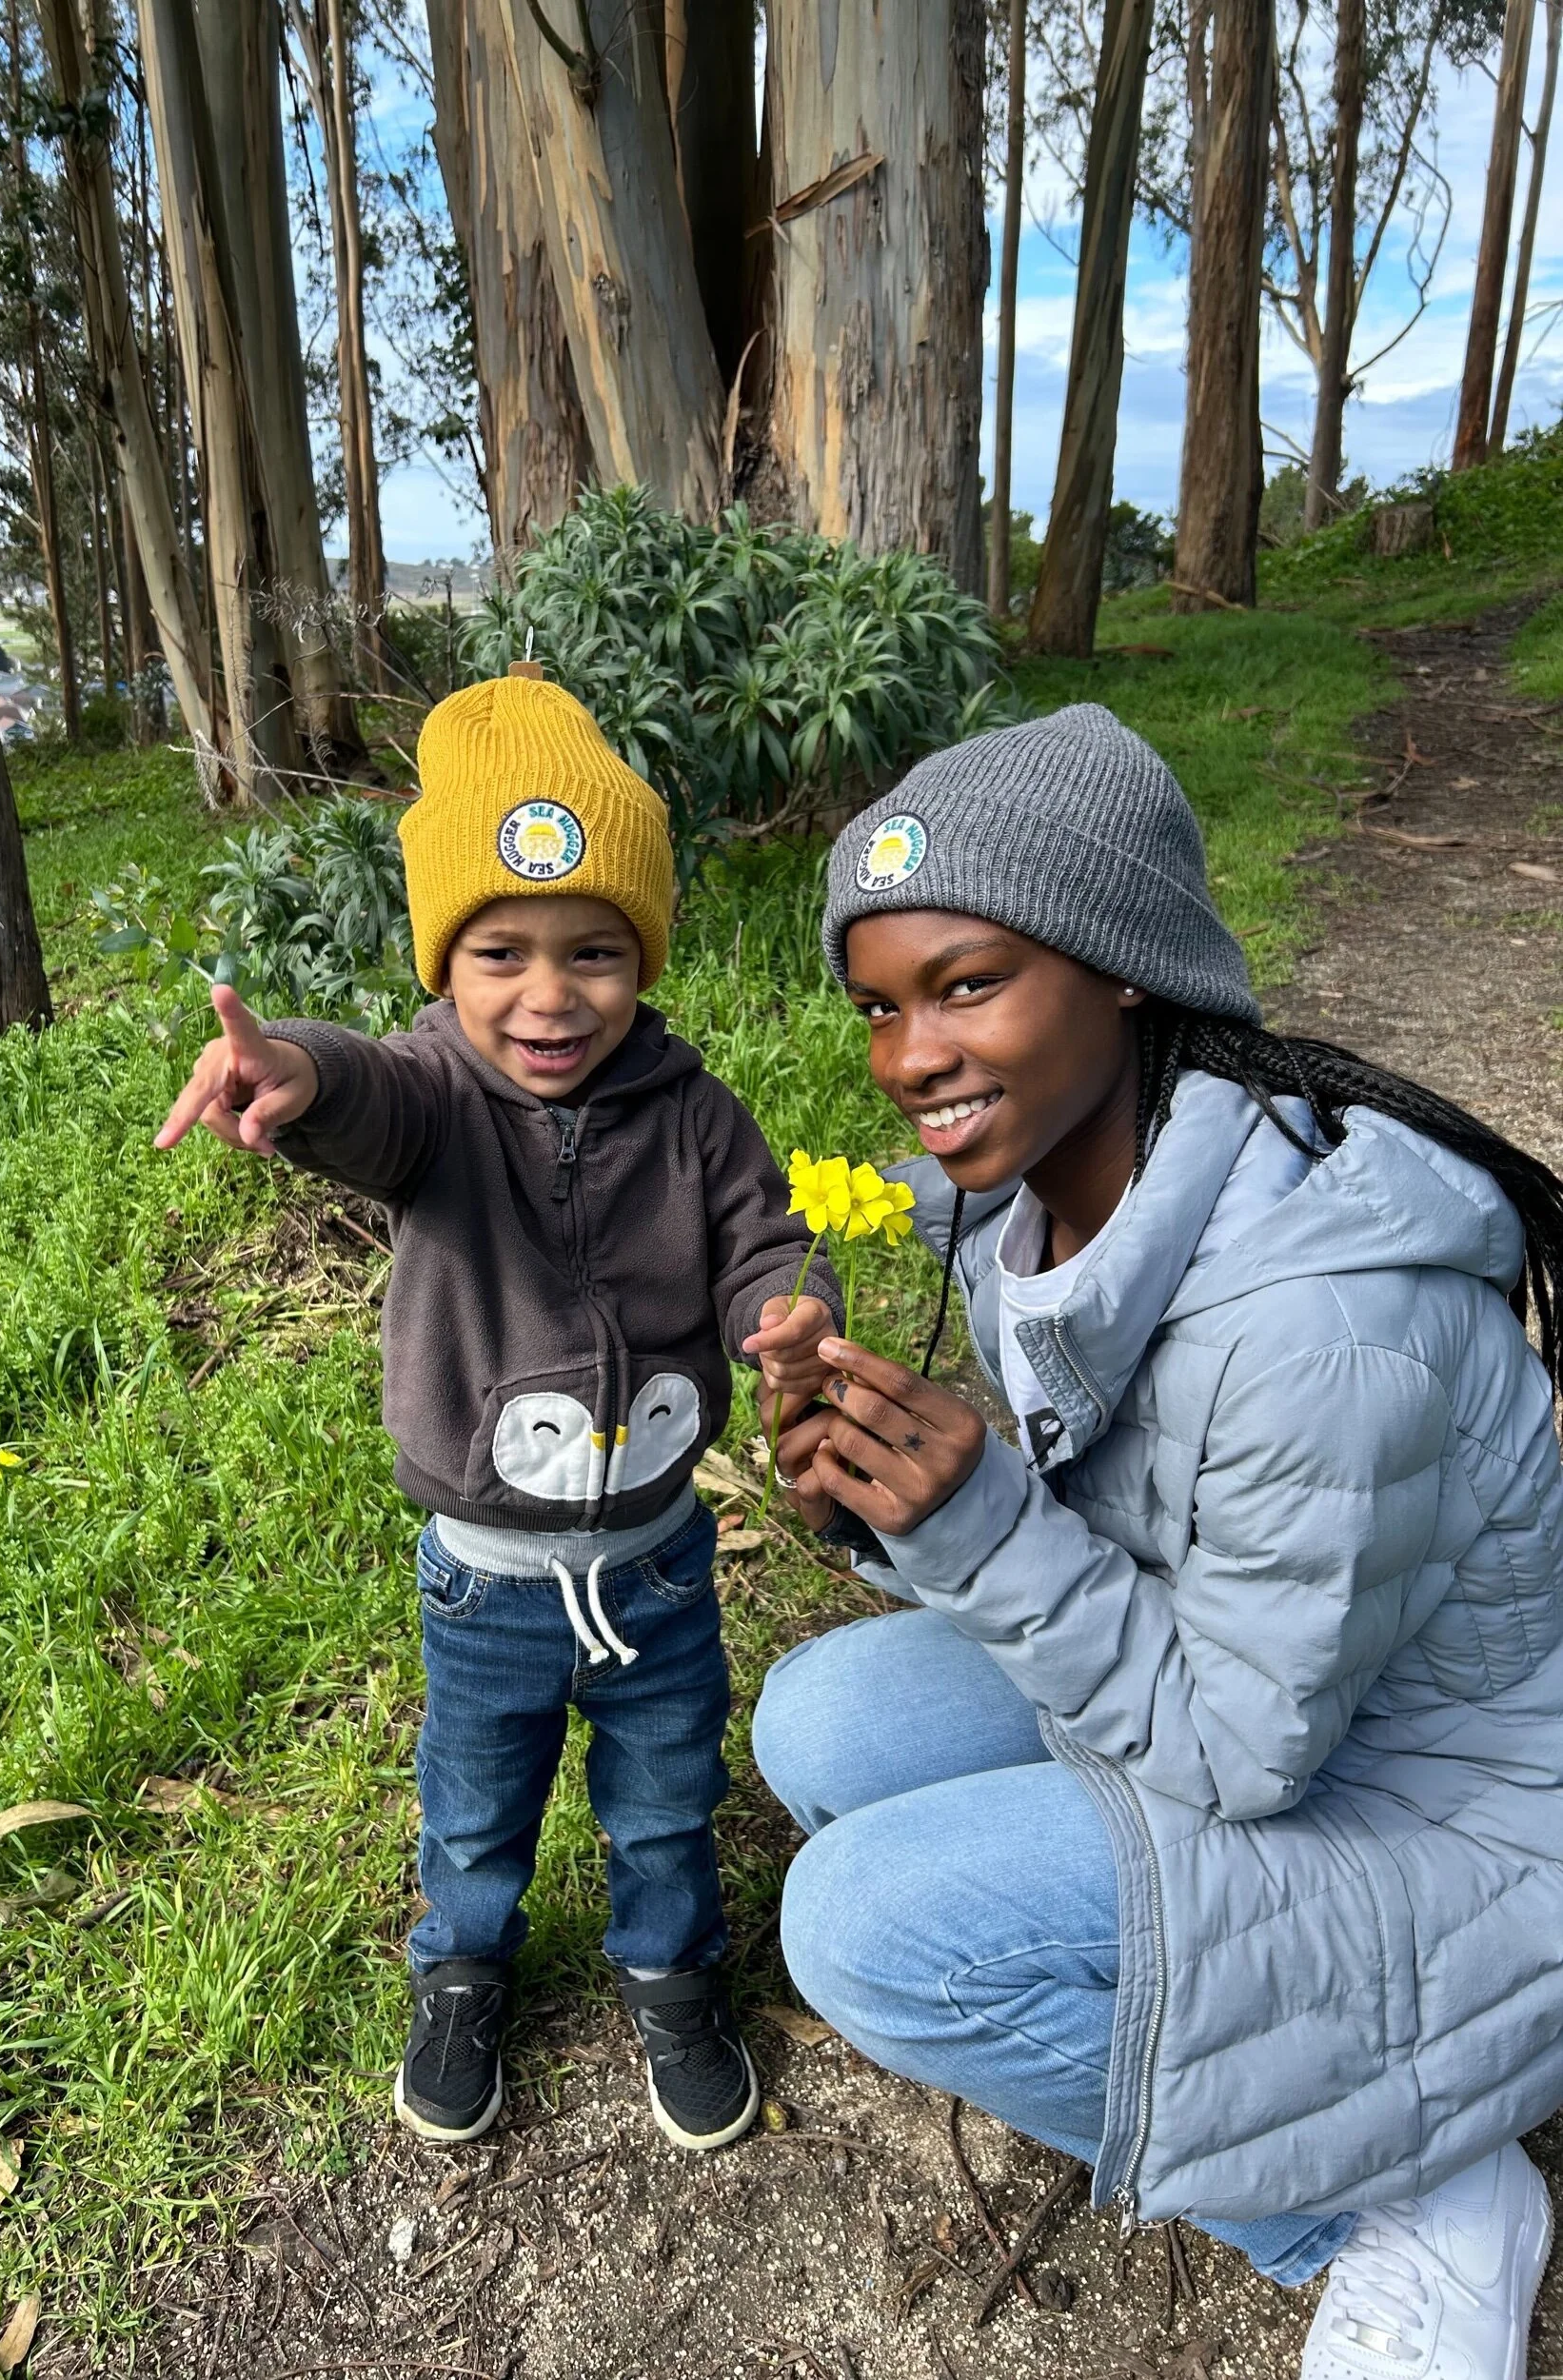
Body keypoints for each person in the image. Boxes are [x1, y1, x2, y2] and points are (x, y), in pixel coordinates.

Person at [751, 704, 1563, 2379]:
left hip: (1442, 1818)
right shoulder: (1025, 1196)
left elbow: (1246, 1751)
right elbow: (1120, 1533)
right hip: (1264, 1685)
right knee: (818, 1725)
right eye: (882, 1007)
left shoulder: (1322, 1326)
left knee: (859, 1930)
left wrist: (974, 1523)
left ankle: (1401, 2200)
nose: (910, 1058)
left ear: (1122, 964)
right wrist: (876, 1505)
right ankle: (1261, 2055)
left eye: (968, 985)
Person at [157, 671, 838, 2152]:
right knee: (474, 1804)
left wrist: (789, 1314)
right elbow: (363, 1096)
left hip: (657, 1561)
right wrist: (294, 1067)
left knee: (665, 1793)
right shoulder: (430, 1099)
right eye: (501, 952)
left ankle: (669, 1969)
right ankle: (460, 1966)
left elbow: (764, 1236)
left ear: (643, 956)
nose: (550, 995)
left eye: (595, 950)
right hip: (488, 1579)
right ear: (444, 963)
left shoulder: (694, 1110)